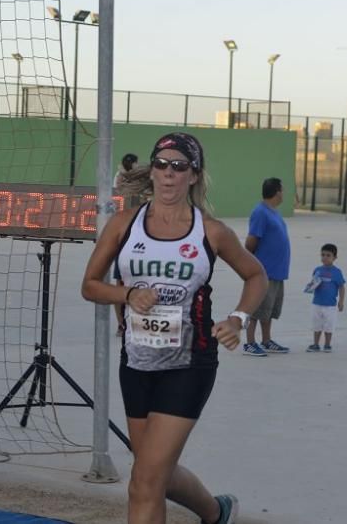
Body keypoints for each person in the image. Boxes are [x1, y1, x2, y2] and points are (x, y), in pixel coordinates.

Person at [81, 132, 266, 524]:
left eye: (179, 167)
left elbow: (256, 276)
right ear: (152, 172)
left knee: (143, 482)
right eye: (161, 165)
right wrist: (127, 294)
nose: (168, 175)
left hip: (190, 363)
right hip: (137, 362)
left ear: (194, 176)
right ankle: (216, 512)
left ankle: (215, 512)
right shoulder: (123, 225)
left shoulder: (211, 232)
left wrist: (238, 319)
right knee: (155, 474)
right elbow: (90, 285)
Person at [244, 177, 291, 356]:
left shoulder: (274, 211)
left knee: (269, 309)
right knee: (256, 308)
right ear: (277, 191)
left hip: (277, 271)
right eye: (282, 190)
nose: (284, 193)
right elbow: (252, 240)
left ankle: (266, 340)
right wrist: (250, 263)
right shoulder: (260, 212)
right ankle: (249, 343)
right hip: (264, 270)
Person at [304, 243, 345, 353]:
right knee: (316, 324)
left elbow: (341, 287)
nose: (325, 258)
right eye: (322, 255)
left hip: (330, 305)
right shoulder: (317, 270)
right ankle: (315, 344)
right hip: (317, 303)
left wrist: (341, 301)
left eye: (328, 255)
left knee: (329, 325)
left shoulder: (337, 272)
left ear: (334, 257)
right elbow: (313, 282)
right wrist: (310, 286)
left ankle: (327, 345)